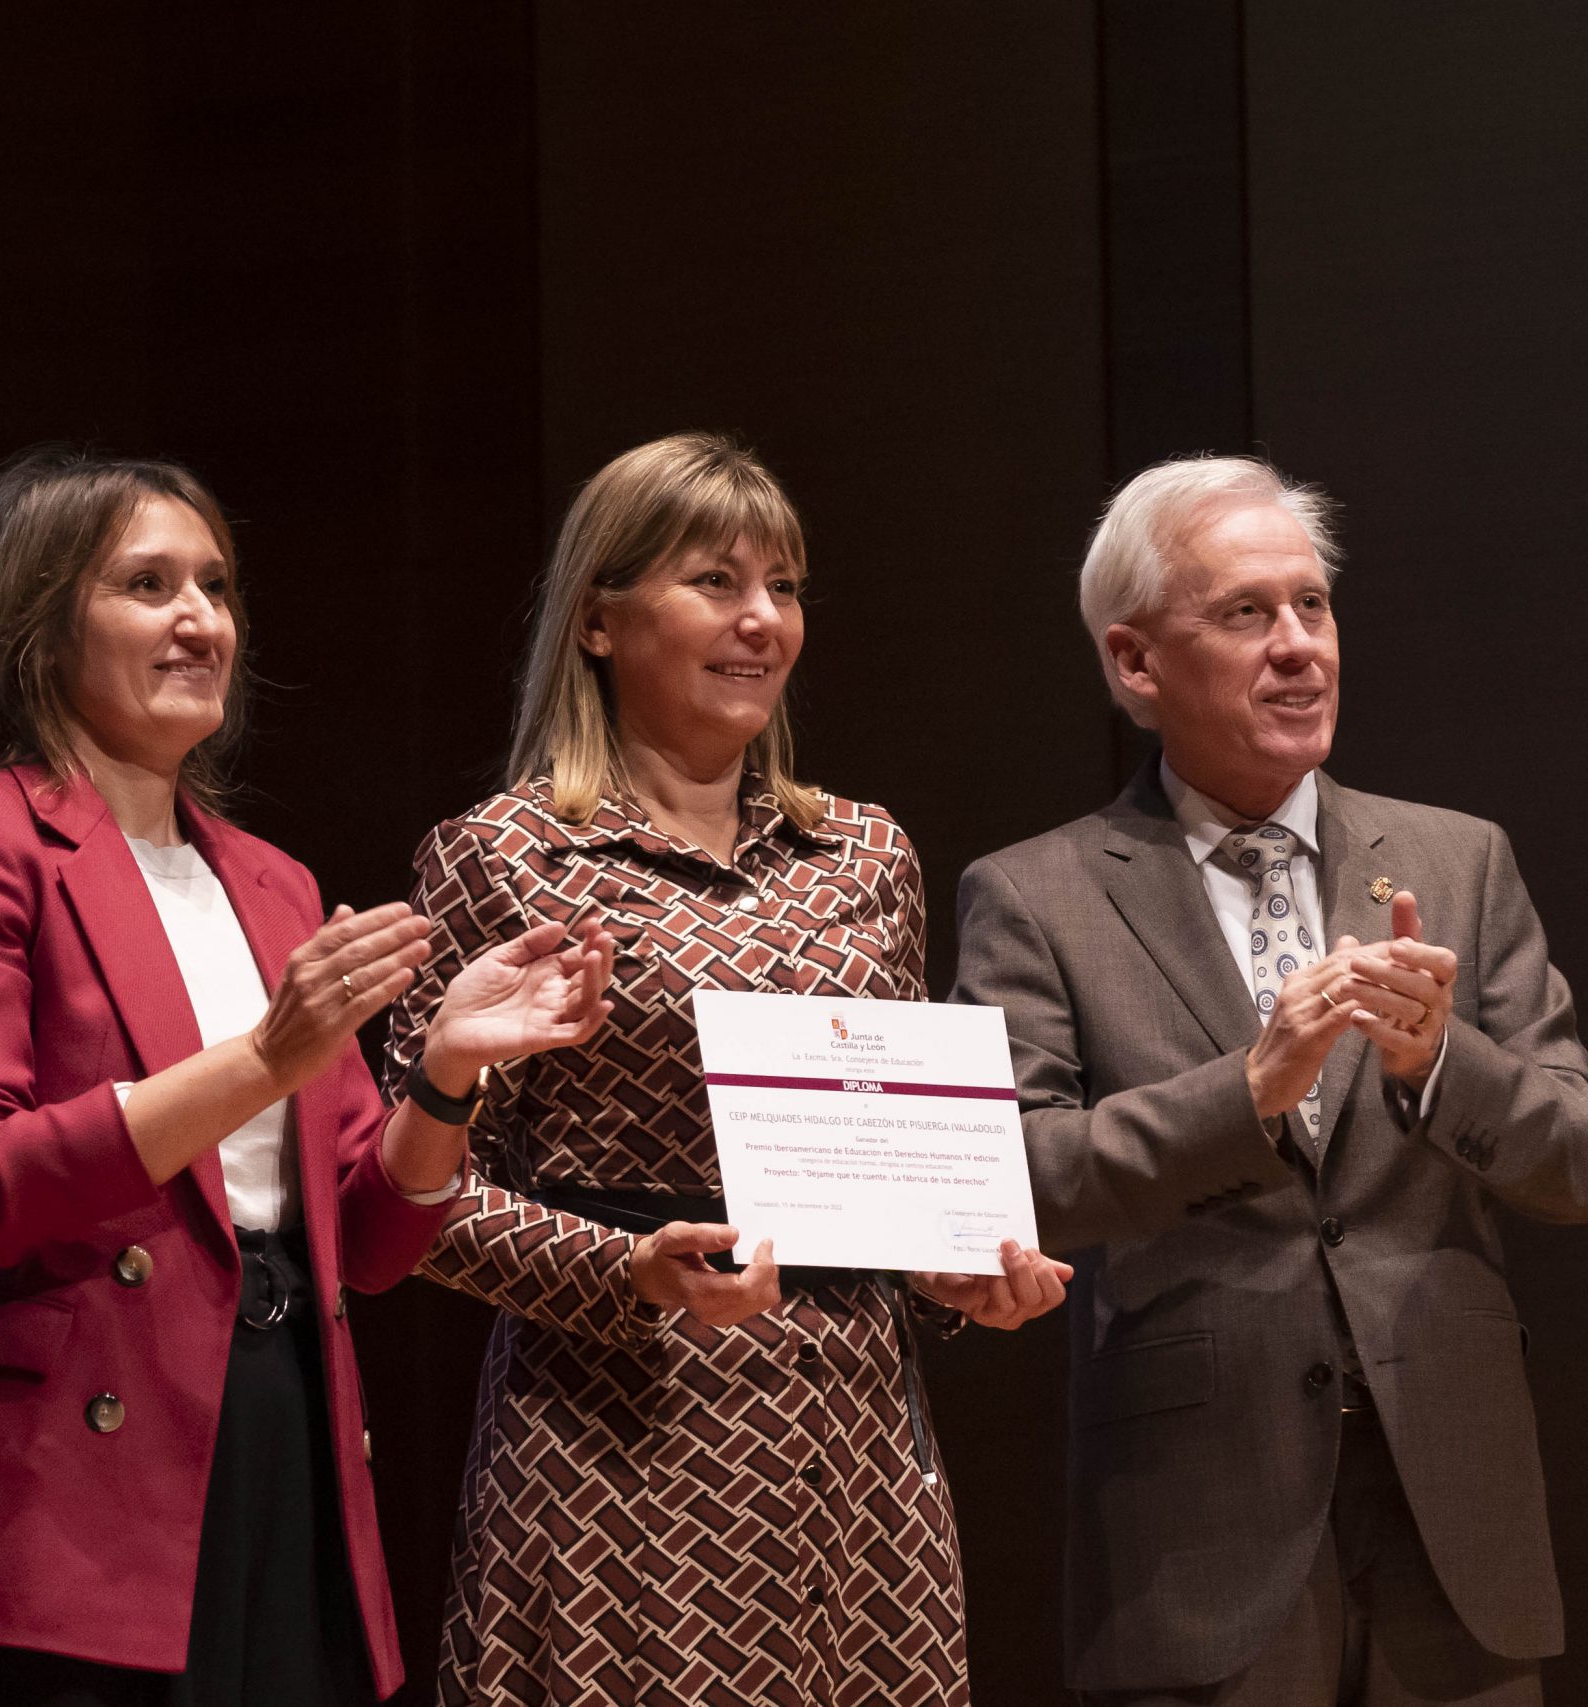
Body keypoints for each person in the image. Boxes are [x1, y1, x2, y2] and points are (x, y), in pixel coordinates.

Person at [0, 447, 615, 1706]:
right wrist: (262, 1058)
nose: (199, 619)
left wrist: (446, 1080)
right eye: (147, 585)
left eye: (215, 584)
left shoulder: (271, 880)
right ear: (40, 627)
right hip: (70, 1461)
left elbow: (364, 1238)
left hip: (276, 1405)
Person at [386, 431, 1068, 1707]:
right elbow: (407, 1200)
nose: (762, 620)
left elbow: (900, 1176)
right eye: (715, 582)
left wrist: (961, 1270)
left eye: (786, 587)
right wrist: (623, 1272)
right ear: (600, 620)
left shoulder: (865, 855)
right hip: (621, 1452)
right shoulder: (506, 854)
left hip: (859, 1459)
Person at [952, 454, 1588, 1705]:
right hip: (1199, 1519)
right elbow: (1012, 1176)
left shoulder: (1458, 860)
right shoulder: (1035, 894)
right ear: (1135, 663)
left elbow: (1571, 1153)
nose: (1299, 646)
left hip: (1452, 1511)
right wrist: (1242, 1092)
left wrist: (1437, 1064)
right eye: (1245, 613)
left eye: (1313, 606)